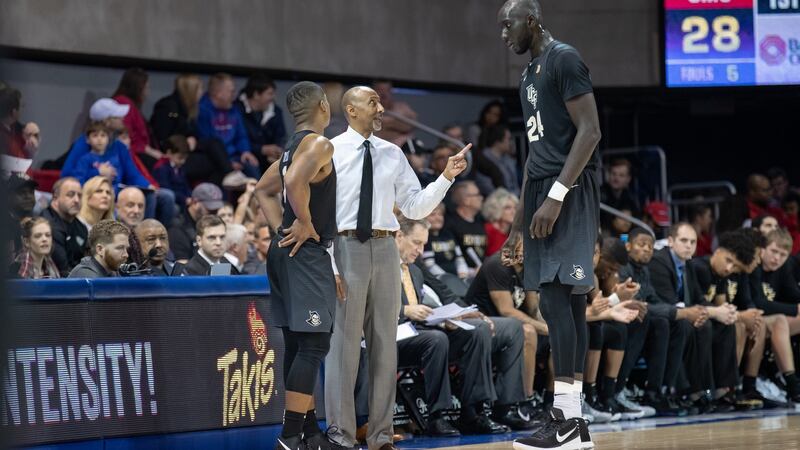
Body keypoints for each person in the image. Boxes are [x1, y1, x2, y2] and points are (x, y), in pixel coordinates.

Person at [323, 85, 471, 450]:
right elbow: (319, 212)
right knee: (344, 348)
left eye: (380, 102)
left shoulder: (392, 153)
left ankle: (381, 436)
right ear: (351, 109)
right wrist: (331, 265)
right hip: (345, 246)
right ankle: (340, 435)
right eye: (372, 102)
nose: (380, 109)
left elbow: (415, 206)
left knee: (384, 347)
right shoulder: (330, 150)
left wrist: (446, 177)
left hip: (387, 246)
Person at [498, 1, 602, 448]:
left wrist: (557, 196)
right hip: (543, 189)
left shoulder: (564, 58)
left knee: (560, 300)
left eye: (508, 25)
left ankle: (564, 418)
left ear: (532, 20)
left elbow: (590, 131)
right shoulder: (527, 75)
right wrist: (518, 224)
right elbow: (534, 155)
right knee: (565, 306)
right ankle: (573, 423)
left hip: (569, 188)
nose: (504, 35)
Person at [252, 81, 337, 450]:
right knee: (315, 344)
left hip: (285, 251)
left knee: (298, 344)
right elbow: (292, 181)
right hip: (305, 254)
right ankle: (289, 439)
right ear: (323, 106)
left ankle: (311, 435)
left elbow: (262, 189)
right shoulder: (319, 144)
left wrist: (281, 229)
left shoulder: (291, 148)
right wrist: (303, 221)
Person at [395, 217, 529, 436]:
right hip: (395, 333)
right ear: (399, 236)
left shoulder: (415, 267)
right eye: (417, 243)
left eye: (424, 244)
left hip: (423, 328)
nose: (421, 250)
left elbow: (442, 290)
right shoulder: (379, 264)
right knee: (437, 339)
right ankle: (437, 416)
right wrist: (405, 310)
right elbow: (372, 305)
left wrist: (461, 313)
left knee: (479, 330)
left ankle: (477, 412)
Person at [465, 236, 549, 414]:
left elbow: (533, 309)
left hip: (513, 326)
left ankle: (552, 400)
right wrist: (544, 328)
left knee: (562, 336)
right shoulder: (498, 264)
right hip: (485, 325)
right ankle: (525, 402)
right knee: (528, 332)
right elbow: (506, 311)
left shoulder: (528, 266)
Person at [197, 73, 260, 179]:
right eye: (231, 91)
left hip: (235, 155)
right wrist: (227, 163)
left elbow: (241, 135)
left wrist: (245, 151)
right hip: (214, 159)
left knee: (251, 164)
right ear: (218, 93)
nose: (234, 95)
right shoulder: (202, 110)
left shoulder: (234, 110)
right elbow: (207, 142)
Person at [235, 74, 287, 172]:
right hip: (244, 159)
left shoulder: (276, 112)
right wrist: (261, 149)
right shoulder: (236, 110)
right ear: (256, 94)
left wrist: (277, 151)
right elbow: (237, 140)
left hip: (269, 160)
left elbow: (281, 137)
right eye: (270, 94)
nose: (273, 97)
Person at [112, 67, 162, 168]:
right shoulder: (124, 104)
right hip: (133, 154)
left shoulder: (131, 105)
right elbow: (127, 134)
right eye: (146, 88)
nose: (147, 92)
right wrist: (149, 150)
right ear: (137, 88)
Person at [41, 177, 88, 276]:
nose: (76, 200)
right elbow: (64, 270)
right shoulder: (47, 226)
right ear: (55, 198)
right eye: (70, 195)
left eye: (79, 195)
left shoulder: (81, 227)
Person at [168, 182, 223, 261]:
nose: (214, 215)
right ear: (195, 203)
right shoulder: (177, 228)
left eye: (216, 210)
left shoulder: (215, 226)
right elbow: (182, 265)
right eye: (210, 210)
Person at [446, 181, 488, 274]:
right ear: (466, 200)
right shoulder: (450, 224)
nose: (481, 198)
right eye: (477, 195)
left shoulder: (480, 221)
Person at [422, 203, 468, 279]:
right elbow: (429, 265)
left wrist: (463, 274)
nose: (438, 218)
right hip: (437, 279)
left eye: (440, 214)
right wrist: (447, 279)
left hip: (455, 278)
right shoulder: (424, 237)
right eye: (432, 215)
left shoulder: (448, 234)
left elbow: (459, 259)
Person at [478, 124, 520, 196]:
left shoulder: (507, 158)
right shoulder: (483, 159)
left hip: (514, 197)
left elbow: (515, 183)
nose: (511, 143)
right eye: (508, 139)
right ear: (498, 141)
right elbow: (488, 188)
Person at [372, 80, 418, 147]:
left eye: (387, 90)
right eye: (380, 90)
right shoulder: (365, 110)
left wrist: (386, 123)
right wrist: (394, 122)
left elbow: (410, 125)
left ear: (391, 92)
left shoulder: (402, 108)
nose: (383, 93)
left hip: (399, 148)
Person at [151, 135, 192, 208]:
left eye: (185, 158)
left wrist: (190, 196)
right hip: (171, 201)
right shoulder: (161, 168)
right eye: (180, 158)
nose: (183, 161)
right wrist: (184, 199)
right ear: (169, 153)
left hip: (183, 200)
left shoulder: (180, 167)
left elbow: (186, 185)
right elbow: (166, 188)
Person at [482, 188, 519, 257]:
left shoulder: (513, 233)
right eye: (507, 208)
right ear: (496, 209)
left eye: (515, 208)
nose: (513, 211)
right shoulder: (487, 230)